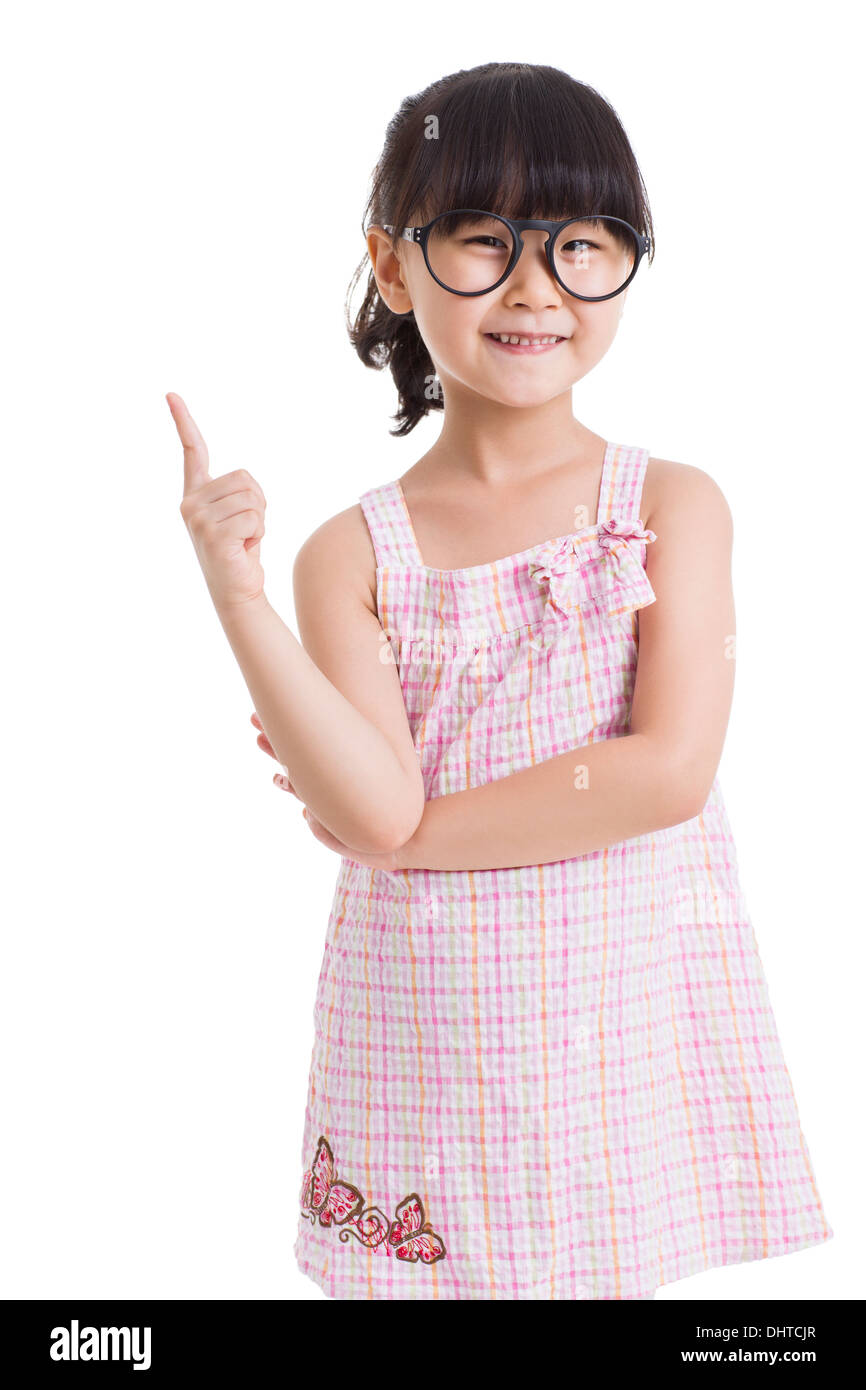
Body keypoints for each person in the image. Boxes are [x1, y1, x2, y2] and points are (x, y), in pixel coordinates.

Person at [168, 61, 833, 1300]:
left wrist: (409, 832)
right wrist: (236, 594)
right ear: (392, 262)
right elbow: (369, 812)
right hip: (430, 1038)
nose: (534, 288)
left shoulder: (671, 506)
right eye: (483, 241)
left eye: (580, 243)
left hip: (617, 1034)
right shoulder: (350, 553)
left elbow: (664, 773)